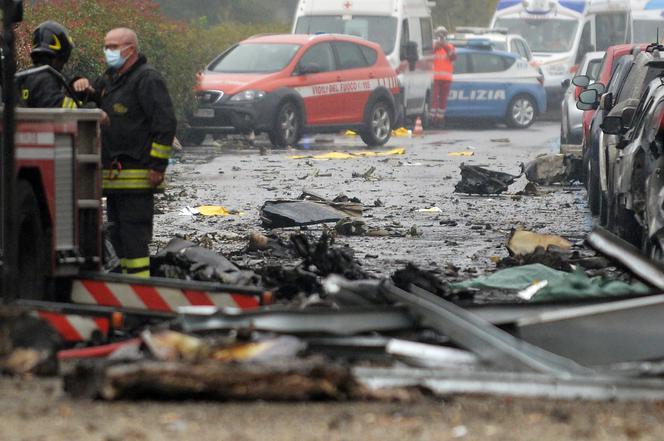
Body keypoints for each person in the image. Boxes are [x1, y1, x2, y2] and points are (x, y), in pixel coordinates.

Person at [73, 28, 176, 278]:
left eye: (113, 47)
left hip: (139, 175)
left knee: (134, 237)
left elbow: (165, 124)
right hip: (114, 177)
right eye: (106, 47)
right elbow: (89, 96)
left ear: (130, 49)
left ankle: (140, 288)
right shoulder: (110, 79)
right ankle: (124, 284)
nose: (108, 52)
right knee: (117, 234)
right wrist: (80, 84)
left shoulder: (147, 79)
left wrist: (157, 166)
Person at [17, 21, 79, 108]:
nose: (63, 65)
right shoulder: (45, 79)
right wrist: (89, 108)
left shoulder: (24, 77)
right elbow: (58, 106)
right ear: (61, 56)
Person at [432, 26, 456, 128]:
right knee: (434, 100)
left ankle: (440, 119)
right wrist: (436, 46)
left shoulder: (450, 46)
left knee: (442, 100)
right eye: (439, 35)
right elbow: (427, 56)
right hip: (435, 78)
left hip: (446, 79)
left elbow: (453, 57)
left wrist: (444, 46)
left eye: (443, 35)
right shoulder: (433, 46)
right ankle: (432, 119)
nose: (441, 37)